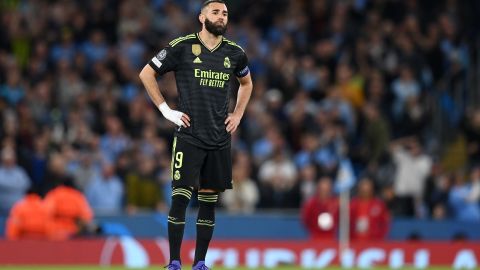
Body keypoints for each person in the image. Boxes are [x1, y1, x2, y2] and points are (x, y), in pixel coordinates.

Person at [138, 0, 253, 269]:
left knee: (209, 202)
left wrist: (237, 114)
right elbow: (146, 74)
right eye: (216, 12)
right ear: (202, 17)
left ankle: (200, 263)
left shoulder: (235, 53)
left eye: (225, 13)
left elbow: (246, 83)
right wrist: (165, 109)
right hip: (189, 135)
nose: (222, 17)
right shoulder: (182, 46)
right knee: (180, 199)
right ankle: (174, 262)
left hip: (219, 138)